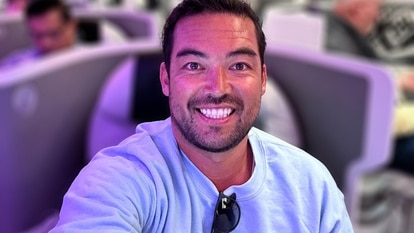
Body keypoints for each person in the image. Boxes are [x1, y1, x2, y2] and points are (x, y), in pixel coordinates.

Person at [50, 0, 353, 232]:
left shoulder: (312, 186)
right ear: (166, 80)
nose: (218, 88)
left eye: (238, 66)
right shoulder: (119, 179)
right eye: (194, 66)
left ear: (262, 80)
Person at [325, 0, 414, 175]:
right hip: (370, 141)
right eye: (377, 10)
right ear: (358, 8)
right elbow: (378, 119)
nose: (378, 16)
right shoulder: (342, 48)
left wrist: (398, 82)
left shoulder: (332, 34)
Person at [0, 0, 77, 69]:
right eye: (38, 36)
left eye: (54, 34)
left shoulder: (87, 63)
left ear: (72, 27)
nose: (46, 44)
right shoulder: (14, 66)